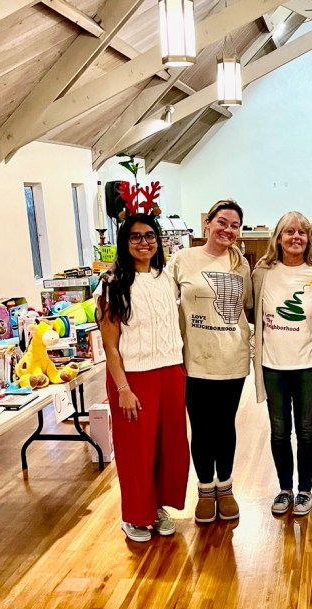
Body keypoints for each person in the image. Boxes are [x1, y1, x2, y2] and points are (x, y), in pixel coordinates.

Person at [96, 214, 189, 543]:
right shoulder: (112, 283)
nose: (144, 242)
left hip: (170, 372)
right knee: (136, 448)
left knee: (169, 446)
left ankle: (157, 507)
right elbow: (110, 344)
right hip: (133, 378)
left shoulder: (165, 278)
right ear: (124, 242)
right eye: (135, 237)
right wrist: (122, 388)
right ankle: (134, 515)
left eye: (150, 235)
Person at [167, 199, 253, 524]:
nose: (227, 230)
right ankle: (205, 489)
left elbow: (245, 306)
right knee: (201, 428)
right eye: (222, 222)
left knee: (224, 426)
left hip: (232, 359)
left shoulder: (240, 264)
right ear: (207, 223)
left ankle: (226, 487)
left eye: (234, 225)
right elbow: (165, 302)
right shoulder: (183, 260)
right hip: (195, 360)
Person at [252, 212, 312, 516]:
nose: (296, 237)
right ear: (278, 238)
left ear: (309, 238)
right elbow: (252, 311)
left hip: (309, 365)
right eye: (289, 232)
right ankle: (284, 488)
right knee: (279, 430)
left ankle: (305, 490)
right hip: (273, 365)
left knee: (306, 429)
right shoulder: (263, 273)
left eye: (302, 232)